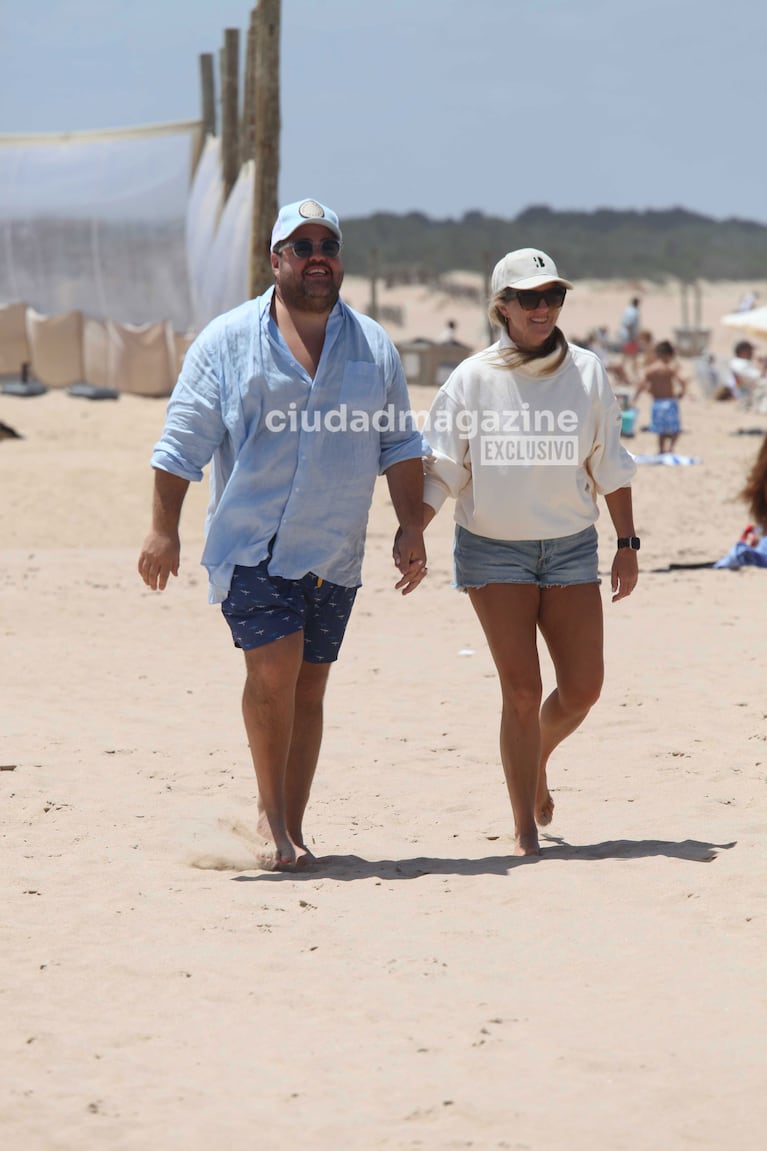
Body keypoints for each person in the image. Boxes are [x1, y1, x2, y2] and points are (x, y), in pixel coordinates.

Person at [138, 197, 428, 870]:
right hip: (251, 543)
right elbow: (181, 440)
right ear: (275, 261)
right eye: (301, 246)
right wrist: (163, 529)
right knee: (274, 667)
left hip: (334, 547)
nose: (317, 255)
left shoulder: (372, 346)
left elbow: (400, 442)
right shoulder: (226, 340)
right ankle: (271, 819)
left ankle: (292, 822)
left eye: (327, 243)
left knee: (310, 686)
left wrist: (411, 524)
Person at [421, 247, 638, 857]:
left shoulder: (589, 372)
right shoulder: (472, 378)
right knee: (520, 691)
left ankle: (535, 757)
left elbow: (610, 465)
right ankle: (523, 830)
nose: (543, 308)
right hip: (493, 553)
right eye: (529, 298)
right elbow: (443, 469)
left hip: (571, 546)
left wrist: (626, 544)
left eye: (553, 297)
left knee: (583, 689)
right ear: (503, 307)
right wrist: (414, 530)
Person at [632, 339, 688, 454]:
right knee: (675, 429)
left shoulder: (650, 370)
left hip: (657, 403)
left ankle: (661, 450)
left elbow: (641, 386)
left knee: (661, 431)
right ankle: (670, 448)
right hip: (670, 402)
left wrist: (634, 400)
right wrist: (682, 393)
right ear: (668, 355)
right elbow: (682, 381)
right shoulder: (669, 369)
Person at [618, 296, 641, 382]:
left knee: (625, 358)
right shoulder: (634, 312)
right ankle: (635, 377)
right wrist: (633, 337)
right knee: (633, 358)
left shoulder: (627, 310)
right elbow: (629, 325)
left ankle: (622, 376)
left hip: (625, 337)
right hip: (630, 338)